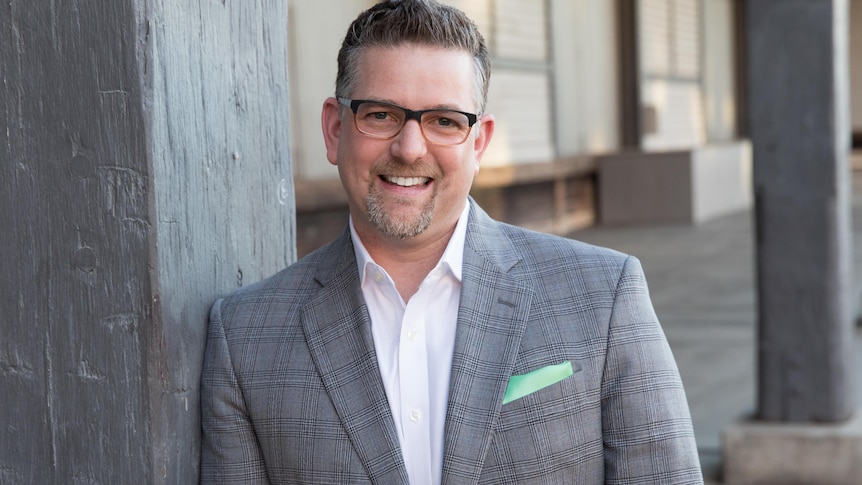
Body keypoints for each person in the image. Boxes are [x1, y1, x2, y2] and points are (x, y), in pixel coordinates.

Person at [200, 0, 703, 483]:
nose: (410, 148)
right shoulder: (245, 338)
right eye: (380, 114)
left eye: (444, 121)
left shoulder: (604, 296)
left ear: (478, 142)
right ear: (335, 130)